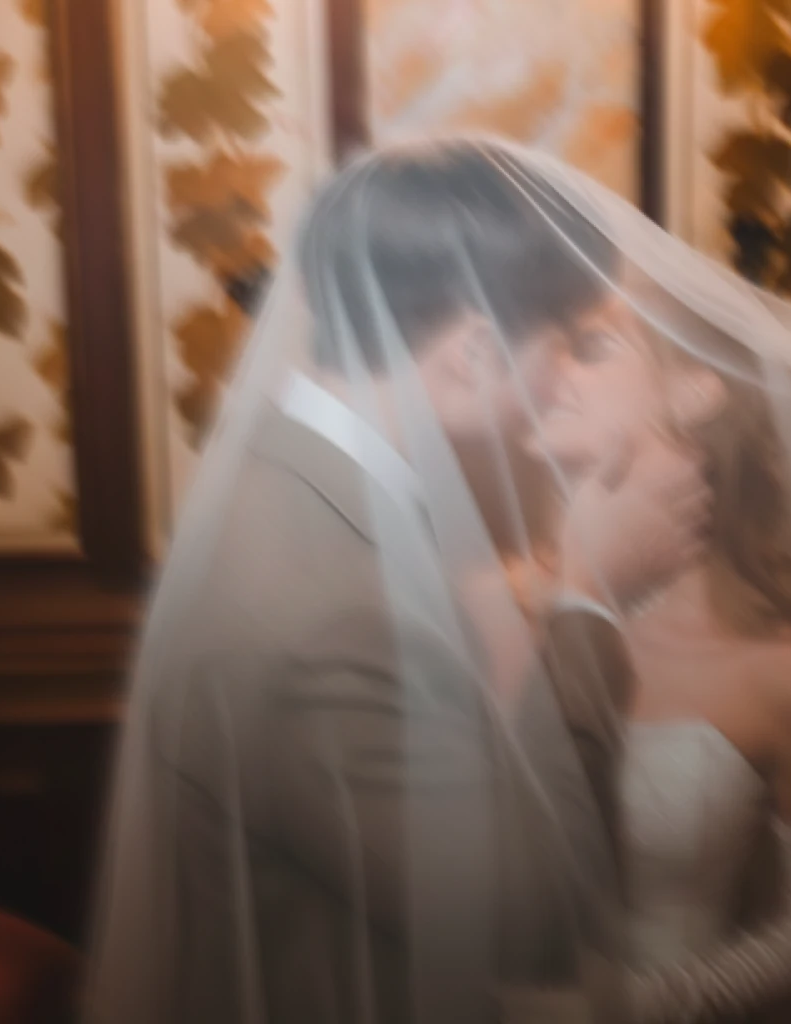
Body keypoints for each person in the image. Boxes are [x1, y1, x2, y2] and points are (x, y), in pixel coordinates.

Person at [82, 141, 712, 1024]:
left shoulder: (307, 486)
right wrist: (593, 595)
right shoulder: (329, 613)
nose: (568, 382)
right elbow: (530, 915)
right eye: (563, 346)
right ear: (472, 356)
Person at [510, 282, 791, 1024]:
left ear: (697, 391)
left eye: (588, 348)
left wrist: (634, 1008)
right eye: (545, 345)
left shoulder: (788, 676)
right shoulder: (486, 609)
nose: (541, 369)